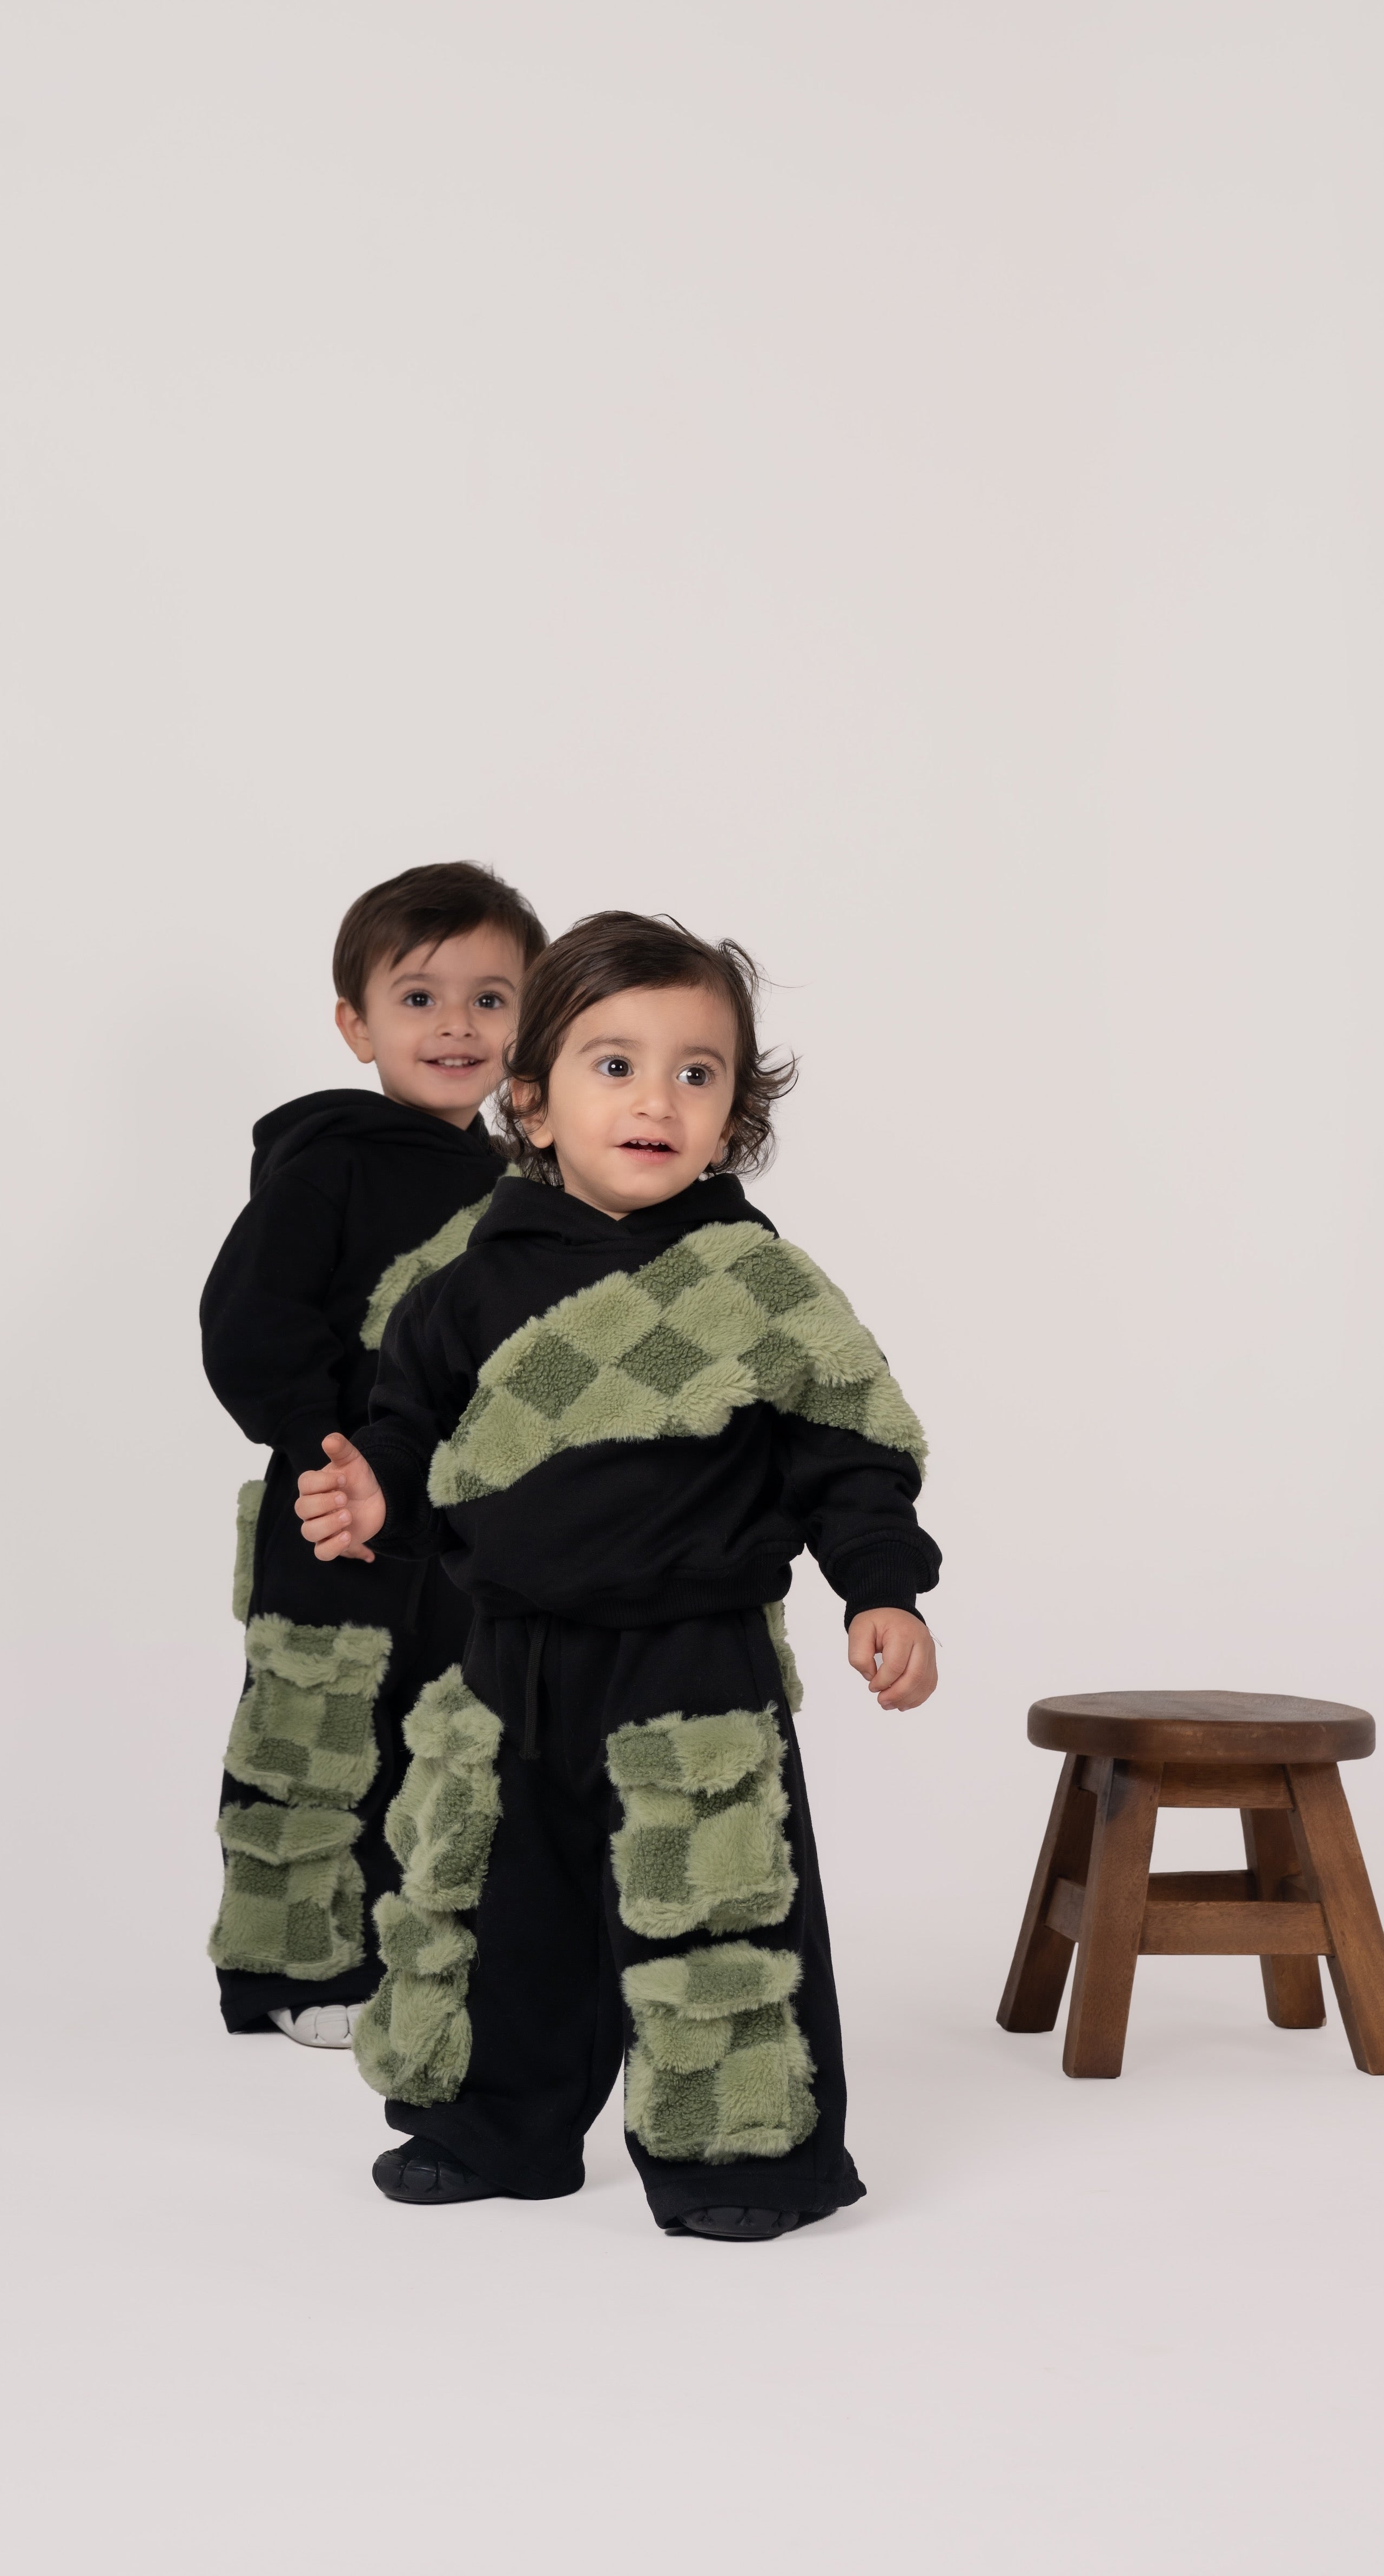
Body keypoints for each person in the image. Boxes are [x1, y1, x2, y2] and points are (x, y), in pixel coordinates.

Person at [294, 911, 940, 2236]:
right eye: (612, 1064)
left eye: (696, 1072)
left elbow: (847, 1446)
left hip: (690, 1654)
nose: (656, 1098)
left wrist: (881, 1584)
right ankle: (495, 2126)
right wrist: (373, 1489)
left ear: (733, 1114)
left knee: (714, 1904)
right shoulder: (460, 1290)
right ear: (527, 1098)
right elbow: (410, 1440)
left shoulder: (757, 1284)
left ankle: (740, 2155)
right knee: (491, 1899)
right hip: (507, 1654)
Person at [200, 860, 547, 2044]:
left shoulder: (524, 1182)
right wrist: (333, 1444)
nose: (456, 1025)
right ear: (355, 1023)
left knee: (444, 1736)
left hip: (456, 1523)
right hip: (331, 1509)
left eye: (490, 998)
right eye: (418, 997)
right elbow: (249, 1329)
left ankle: (412, 1953)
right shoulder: (329, 1162)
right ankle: (291, 1965)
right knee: (313, 1735)